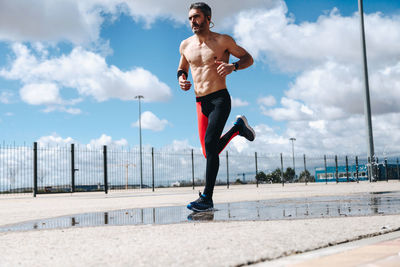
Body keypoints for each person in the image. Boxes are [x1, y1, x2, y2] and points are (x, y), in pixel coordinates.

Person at [178, 2, 255, 212]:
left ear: (208, 19)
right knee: (208, 151)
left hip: (220, 99)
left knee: (211, 144)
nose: (193, 21)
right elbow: (182, 67)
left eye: (196, 17)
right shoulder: (185, 45)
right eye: (190, 18)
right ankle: (238, 128)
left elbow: (249, 58)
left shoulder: (223, 40)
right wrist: (181, 79)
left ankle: (207, 198)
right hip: (200, 102)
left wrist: (234, 66)